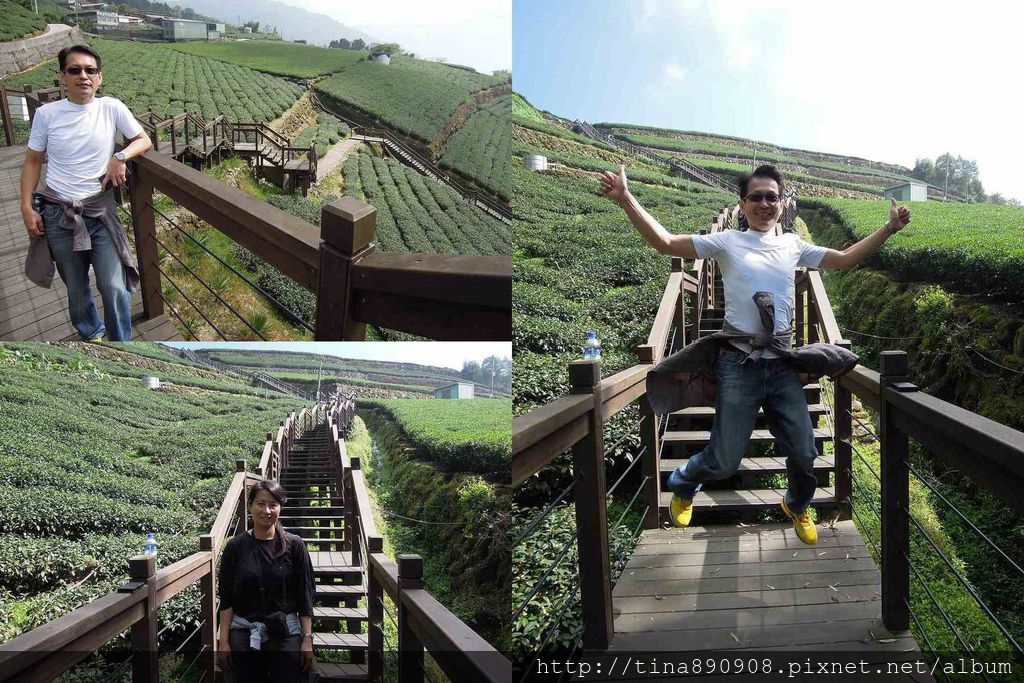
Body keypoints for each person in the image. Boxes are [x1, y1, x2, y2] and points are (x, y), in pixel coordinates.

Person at [600, 163, 910, 545]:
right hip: (737, 363)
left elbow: (845, 259)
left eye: (772, 197)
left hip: (782, 363)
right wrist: (626, 198)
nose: (765, 203)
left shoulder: (793, 245)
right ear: (742, 204)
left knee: (804, 449)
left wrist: (889, 229)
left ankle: (796, 504)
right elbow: (665, 242)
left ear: (782, 203)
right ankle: (683, 481)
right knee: (725, 459)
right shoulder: (727, 241)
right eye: (756, 197)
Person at [20, 43, 153, 341]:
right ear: (62, 77)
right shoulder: (47, 114)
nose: (84, 76)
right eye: (75, 70)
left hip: (100, 210)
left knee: (113, 285)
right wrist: (27, 208)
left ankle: (121, 343)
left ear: (100, 77)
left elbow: (143, 140)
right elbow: (32, 161)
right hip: (58, 213)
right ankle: (91, 332)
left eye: (90, 70)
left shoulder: (111, 107)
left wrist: (120, 157)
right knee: (76, 287)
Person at [217, 480, 316, 682]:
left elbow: (305, 593)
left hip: (285, 630)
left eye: (273, 504)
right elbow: (226, 599)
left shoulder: (294, 545)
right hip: (244, 631)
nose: (267, 510)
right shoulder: (235, 547)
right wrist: (223, 642)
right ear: (251, 506)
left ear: (280, 507)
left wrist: (307, 639)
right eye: (261, 504)